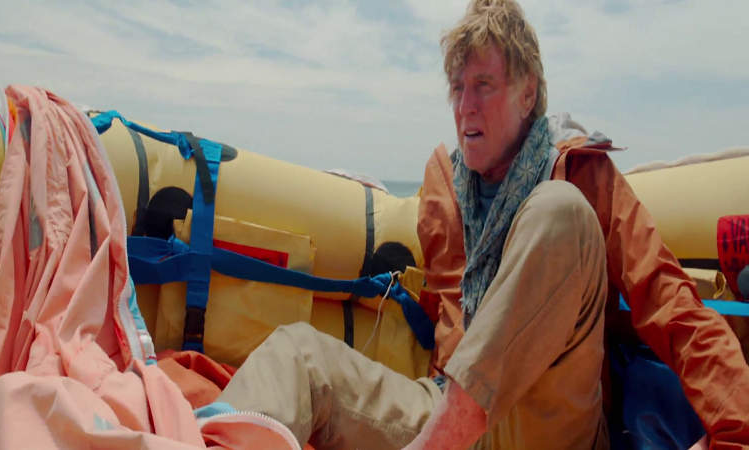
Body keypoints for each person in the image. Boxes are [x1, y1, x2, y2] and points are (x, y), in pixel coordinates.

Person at [218, 0, 749, 448]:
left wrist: (738, 429)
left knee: (557, 211)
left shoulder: (581, 176)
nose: (465, 106)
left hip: (548, 420)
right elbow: (453, 315)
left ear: (527, 93)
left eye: (483, 85)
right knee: (298, 354)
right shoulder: (446, 187)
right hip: (450, 410)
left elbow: (670, 303)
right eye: (457, 88)